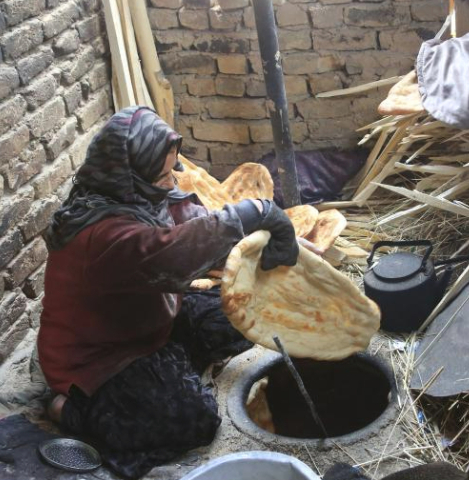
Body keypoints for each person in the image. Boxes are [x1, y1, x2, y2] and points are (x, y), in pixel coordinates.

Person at [37, 106, 302, 478]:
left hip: (149, 320)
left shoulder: (140, 198)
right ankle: (72, 409)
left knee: (246, 309)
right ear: (128, 175)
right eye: (161, 176)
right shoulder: (101, 234)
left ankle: (170, 367)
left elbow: (194, 224)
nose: (170, 184)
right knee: (194, 419)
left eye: (170, 172)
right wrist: (258, 211)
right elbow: (175, 253)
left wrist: (278, 248)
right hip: (101, 358)